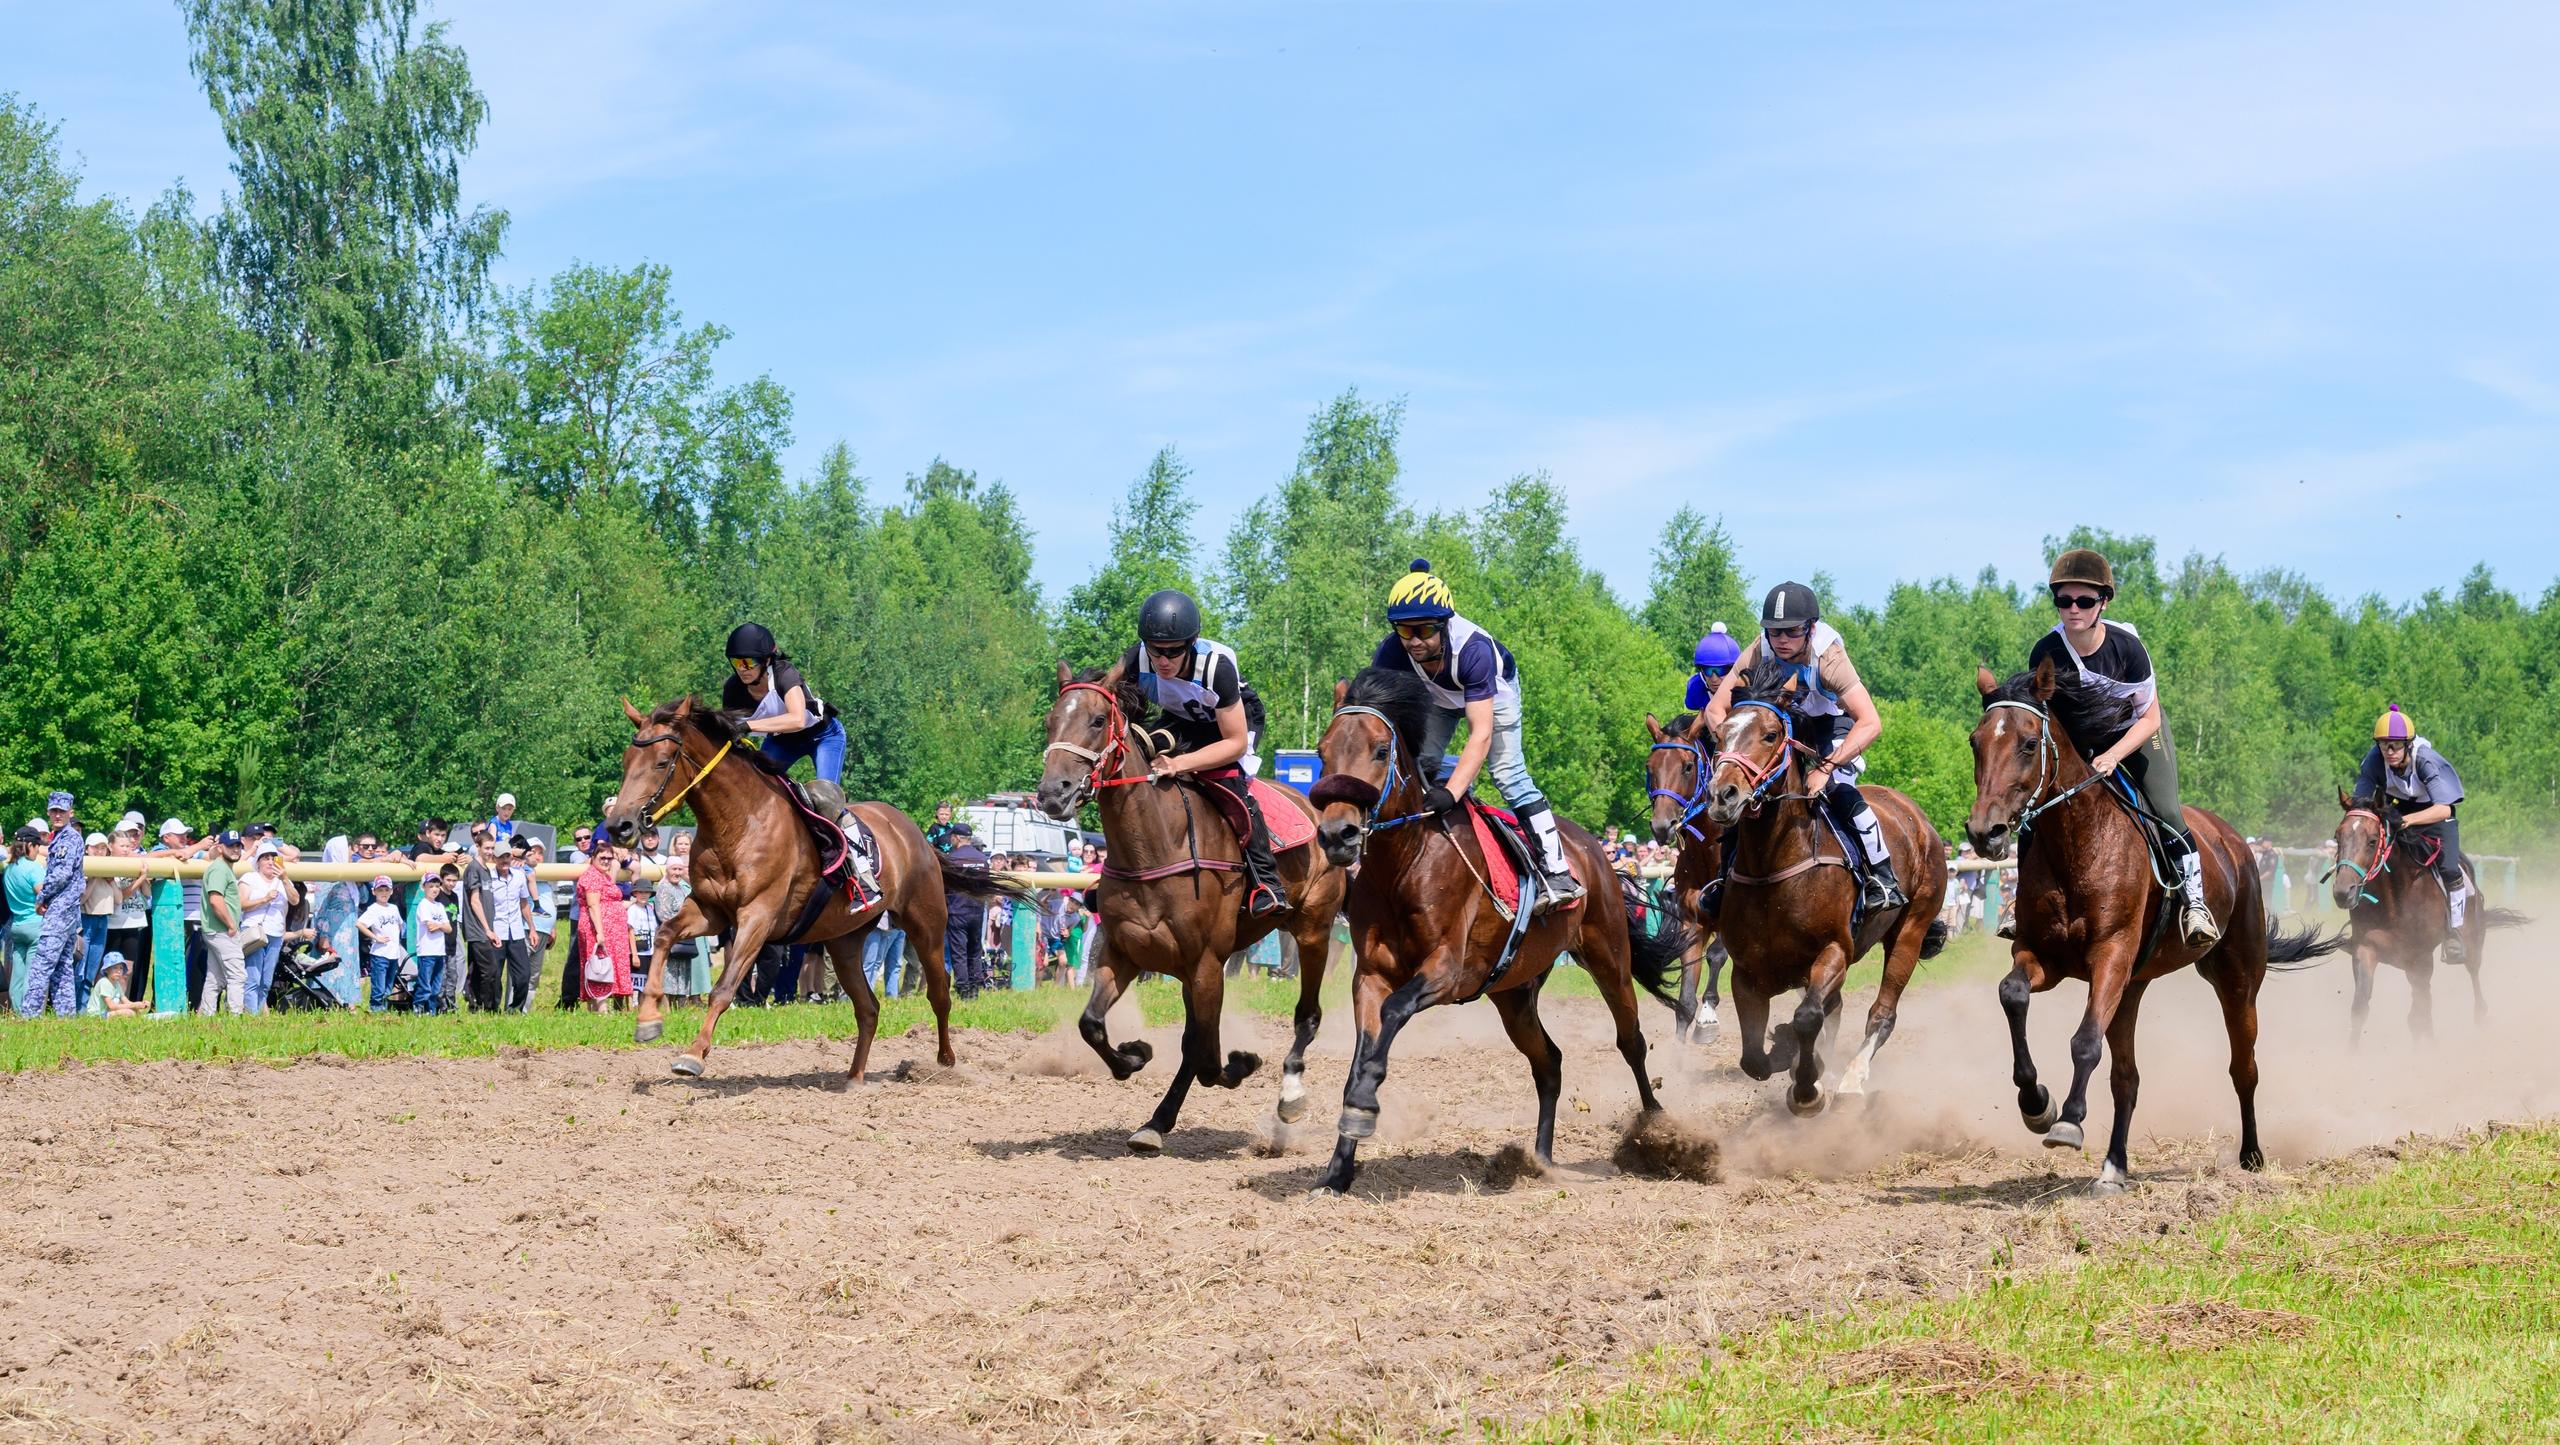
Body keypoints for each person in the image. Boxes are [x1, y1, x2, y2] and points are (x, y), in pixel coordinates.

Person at [2017, 548, 2219, 948]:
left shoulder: (2128, 649)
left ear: (2103, 603)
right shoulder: (2045, 652)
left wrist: (2113, 756)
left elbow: (2150, 718)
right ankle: (2019, 902)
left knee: (2164, 809)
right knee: (2031, 814)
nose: (2073, 609)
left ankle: (2195, 903)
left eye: (2084, 601)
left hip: (2137, 734)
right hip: (2079, 742)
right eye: (2064, 600)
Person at [1376, 560, 1585, 907]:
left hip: (1494, 695)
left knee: (1507, 774)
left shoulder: (1473, 651)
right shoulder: (1393, 649)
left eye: (1425, 630)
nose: (1413, 641)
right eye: (1404, 631)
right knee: (1421, 763)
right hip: (1440, 697)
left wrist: (1453, 793)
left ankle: (1558, 872)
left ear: (1444, 624)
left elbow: (1481, 735)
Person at [1702, 581, 1909, 914]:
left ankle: (1883, 877)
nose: (1782, 640)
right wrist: (1730, 753)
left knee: (1838, 787)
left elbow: (1870, 722)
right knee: (1745, 792)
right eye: (1774, 631)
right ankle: (1724, 879)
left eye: (1792, 631)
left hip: (1832, 723)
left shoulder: (1829, 658)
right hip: (1781, 724)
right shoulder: (1759, 648)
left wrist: (1825, 768)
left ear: (1810, 629)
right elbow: (1715, 710)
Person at [1122, 588, 1287, 916]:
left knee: (1229, 784)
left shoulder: (1217, 668)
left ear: (1191, 643)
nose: (1163, 661)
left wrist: (1178, 763)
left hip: (1232, 725)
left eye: (1173, 651)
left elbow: (1235, 743)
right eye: (1156, 651)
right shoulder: (1134, 659)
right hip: (1182, 718)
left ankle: (1266, 883)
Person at [2353, 703, 2474, 961]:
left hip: (2436, 817)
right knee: (2371, 856)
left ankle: (2455, 932)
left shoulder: (2426, 760)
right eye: (2383, 744)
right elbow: (2360, 803)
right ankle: (2362, 923)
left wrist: (2407, 821)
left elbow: (2444, 809)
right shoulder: (2374, 761)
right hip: (2398, 813)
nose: (2389, 751)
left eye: (2395, 745)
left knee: (2451, 869)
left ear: (2408, 744)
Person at [720, 622, 846, 785]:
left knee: (827, 798)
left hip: (823, 735)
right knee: (751, 784)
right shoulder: (733, 689)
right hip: (782, 740)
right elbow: (726, 732)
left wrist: (749, 726)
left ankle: (843, 812)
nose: (742, 669)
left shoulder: (784, 674)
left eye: (748, 662)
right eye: (736, 663)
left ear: (766, 661)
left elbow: (797, 720)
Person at [16, 793, 89, 1017]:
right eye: (54, 811)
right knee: (62, 966)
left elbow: (61, 874)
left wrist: (41, 897)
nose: (57, 815)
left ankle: (29, 1015)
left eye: (62, 811)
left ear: (70, 813)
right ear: (48, 812)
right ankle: (66, 1015)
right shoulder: (59, 837)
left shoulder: (68, 838)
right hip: (65, 909)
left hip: (60, 909)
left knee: (42, 964)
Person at [575, 834, 635, 1012]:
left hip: (613, 932)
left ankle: (600, 1009)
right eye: (602, 858)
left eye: (609, 858)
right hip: (597, 929)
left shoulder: (606, 877)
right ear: (593, 858)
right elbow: (593, 906)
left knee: (607, 967)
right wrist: (600, 933)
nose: (606, 861)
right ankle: (601, 1010)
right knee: (598, 968)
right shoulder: (592, 877)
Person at [237, 841, 297, 1014]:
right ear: (258, 862)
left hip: (276, 934)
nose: (271, 862)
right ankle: (250, 1015)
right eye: (266, 858)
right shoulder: (249, 878)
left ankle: (258, 1012)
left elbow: (295, 901)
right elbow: (241, 904)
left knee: (266, 980)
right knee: (252, 977)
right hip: (254, 932)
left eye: (274, 858)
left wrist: (285, 879)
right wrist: (263, 900)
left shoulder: (283, 881)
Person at [198, 830, 248, 1015]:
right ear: (220, 848)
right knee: (237, 975)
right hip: (222, 931)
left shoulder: (222, 867)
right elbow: (215, 899)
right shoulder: (219, 869)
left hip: (216, 930)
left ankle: (207, 1016)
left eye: (238, 846)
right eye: (231, 846)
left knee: (215, 978)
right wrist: (231, 925)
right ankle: (235, 1015)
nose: (235, 850)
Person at [943, 822, 992, 998]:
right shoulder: (982, 859)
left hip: (957, 910)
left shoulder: (951, 859)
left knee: (959, 952)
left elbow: (945, 887)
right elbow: (986, 885)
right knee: (975, 949)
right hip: (977, 910)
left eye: (951, 837)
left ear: (956, 837)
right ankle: (975, 988)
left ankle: (963, 989)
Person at [487, 843, 537, 1011]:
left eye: (507, 856)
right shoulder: (489, 878)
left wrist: (532, 928)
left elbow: (524, 903)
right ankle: (493, 1008)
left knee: (524, 975)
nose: (504, 860)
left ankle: (515, 1008)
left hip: (515, 932)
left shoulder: (519, 876)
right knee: (494, 975)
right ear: (494, 858)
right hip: (497, 932)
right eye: (500, 857)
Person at [458, 831, 502, 1011]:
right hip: (478, 930)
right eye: (487, 848)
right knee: (490, 970)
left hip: (485, 929)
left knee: (476, 970)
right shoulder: (474, 869)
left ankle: (474, 1005)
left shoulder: (486, 869)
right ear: (477, 847)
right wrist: (487, 929)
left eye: (492, 848)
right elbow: (475, 901)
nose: (490, 851)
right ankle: (488, 1007)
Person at [3, 824, 42, 1009]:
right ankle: (28, 1012)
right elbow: (42, 895)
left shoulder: (9, 869)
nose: (39, 850)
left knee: (17, 974)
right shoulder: (34, 868)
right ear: (30, 845)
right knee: (31, 973)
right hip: (35, 925)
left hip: (16, 926)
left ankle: (17, 1010)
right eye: (37, 846)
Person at [357, 876, 410, 1012]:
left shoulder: (393, 908)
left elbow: (399, 924)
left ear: (391, 891)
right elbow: (360, 924)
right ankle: (375, 1008)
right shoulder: (373, 909)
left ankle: (384, 1007)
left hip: (393, 953)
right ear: (374, 892)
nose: (384, 893)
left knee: (389, 984)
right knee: (378, 985)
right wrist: (375, 937)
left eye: (386, 890)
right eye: (380, 890)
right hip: (380, 953)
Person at [78, 829, 116, 995]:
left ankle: (83, 1007)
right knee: (80, 966)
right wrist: (95, 876)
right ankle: (74, 1007)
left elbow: (119, 899)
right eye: (95, 848)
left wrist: (110, 880)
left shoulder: (110, 870)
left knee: (92, 968)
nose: (99, 851)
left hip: (103, 920)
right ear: (87, 849)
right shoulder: (84, 869)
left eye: (102, 848)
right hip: (87, 920)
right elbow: (82, 899)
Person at [412, 871, 453, 1012]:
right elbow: (430, 927)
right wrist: (441, 925)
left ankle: (431, 1010)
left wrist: (439, 926)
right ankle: (418, 1008)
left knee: (436, 985)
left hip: (439, 951)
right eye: (431, 886)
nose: (434, 889)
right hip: (426, 951)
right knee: (425, 984)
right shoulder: (423, 905)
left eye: (437, 886)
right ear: (423, 888)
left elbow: (449, 928)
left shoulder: (439, 906)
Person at [1685, 622, 1743, 711]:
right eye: (1708, 671)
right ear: (1701, 671)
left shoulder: (1744, 687)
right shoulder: (1695, 687)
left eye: (1721, 671)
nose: (1714, 679)